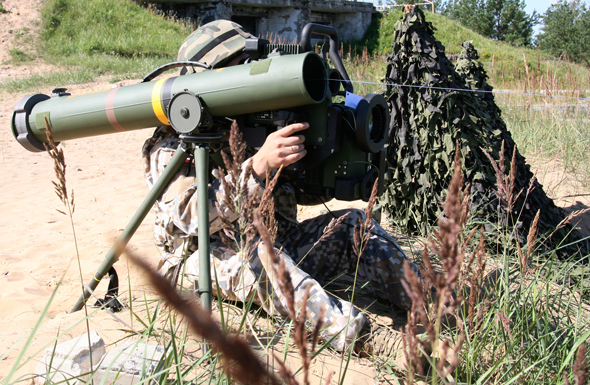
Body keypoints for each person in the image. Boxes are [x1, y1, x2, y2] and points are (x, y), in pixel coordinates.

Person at [142, 20, 422, 353]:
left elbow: (295, 193)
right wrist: (258, 165)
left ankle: (427, 298)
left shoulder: (253, 124)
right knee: (263, 255)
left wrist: (329, 159)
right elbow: (189, 219)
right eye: (234, 72)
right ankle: (366, 340)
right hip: (199, 257)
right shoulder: (175, 146)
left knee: (353, 224)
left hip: (276, 240)